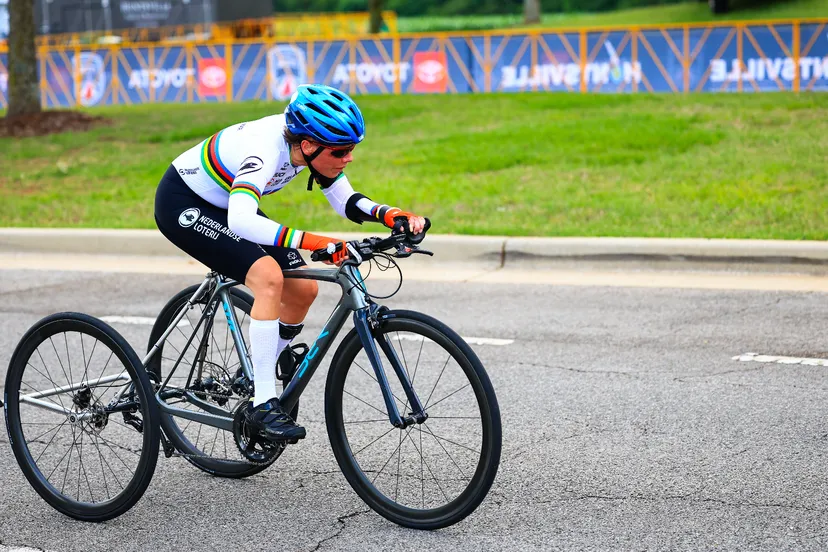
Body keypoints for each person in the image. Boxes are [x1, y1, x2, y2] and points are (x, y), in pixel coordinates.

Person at [154, 84, 426, 444]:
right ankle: (262, 402)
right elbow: (240, 221)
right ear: (309, 145)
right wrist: (318, 242)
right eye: (342, 151)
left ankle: (267, 362)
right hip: (185, 204)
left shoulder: (309, 146)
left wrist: (389, 214)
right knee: (268, 278)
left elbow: (344, 199)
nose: (349, 158)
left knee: (303, 289)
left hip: (230, 203)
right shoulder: (265, 150)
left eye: (353, 149)